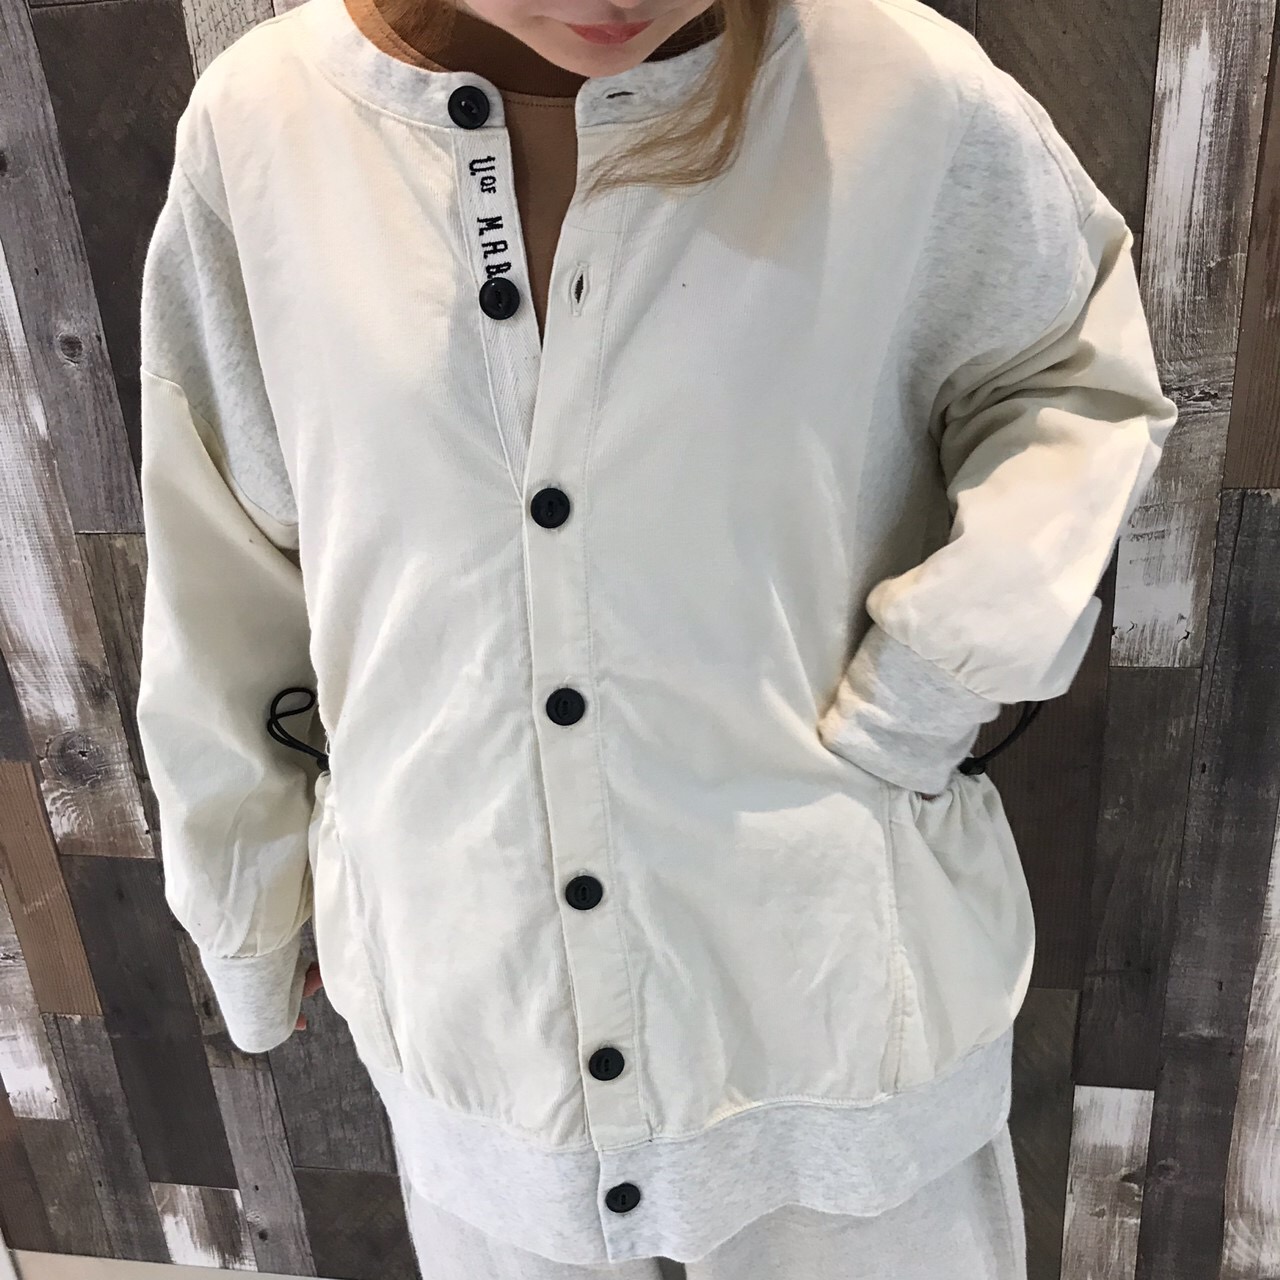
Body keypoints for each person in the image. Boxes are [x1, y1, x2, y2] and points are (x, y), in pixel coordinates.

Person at [134, 0, 1178, 1273]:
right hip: (481, 1014)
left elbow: (1071, 385)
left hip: (827, 1002)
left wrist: (926, 689)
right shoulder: (267, 132)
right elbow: (221, 559)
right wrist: (248, 903)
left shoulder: (899, 94)